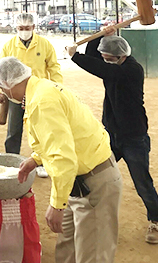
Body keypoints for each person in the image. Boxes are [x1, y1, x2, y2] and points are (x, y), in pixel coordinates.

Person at [0, 56, 123, 263]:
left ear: (8, 85)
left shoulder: (41, 102)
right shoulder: (41, 88)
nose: (3, 94)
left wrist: (57, 205)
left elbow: (63, 158)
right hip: (75, 183)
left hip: (94, 183)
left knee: (92, 256)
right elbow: (59, 138)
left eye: (2, 88)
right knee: (67, 251)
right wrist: (35, 160)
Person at [66, 26, 158, 244]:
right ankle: (84, 210)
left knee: (142, 182)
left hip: (134, 137)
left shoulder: (131, 69)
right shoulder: (113, 63)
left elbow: (102, 69)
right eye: (104, 58)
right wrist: (100, 35)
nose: (104, 61)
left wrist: (74, 56)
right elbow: (94, 59)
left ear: (121, 56)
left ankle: (155, 220)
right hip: (111, 135)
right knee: (92, 170)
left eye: (108, 58)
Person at [0, 13, 63, 155]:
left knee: (40, 130)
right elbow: (1, 70)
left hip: (39, 95)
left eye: (27, 28)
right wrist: (2, 90)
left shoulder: (44, 44)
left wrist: (57, 87)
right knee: (14, 131)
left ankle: (41, 162)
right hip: (15, 96)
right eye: (20, 28)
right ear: (16, 28)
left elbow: (53, 67)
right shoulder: (8, 46)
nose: (24, 31)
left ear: (33, 27)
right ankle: (12, 159)